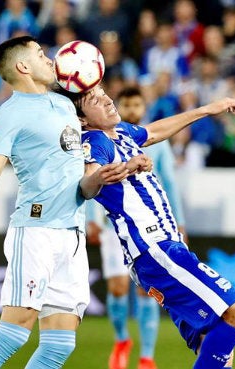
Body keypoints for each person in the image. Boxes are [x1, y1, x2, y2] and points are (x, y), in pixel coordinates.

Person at [0, 35, 147, 369]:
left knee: (60, 343)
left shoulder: (63, 101)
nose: (50, 59)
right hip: (36, 230)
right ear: (22, 66)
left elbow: (105, 110)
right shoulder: (8, 115)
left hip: (71, 232)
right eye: (41, 54)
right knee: (14, 332)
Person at [58, 84, 235, 369]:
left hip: (164, 250)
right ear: (82, 120)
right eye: (95, 100)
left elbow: (155, 131)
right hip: (155, 250)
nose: (108, 100)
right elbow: (87, 184)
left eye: (104, 94)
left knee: (212, 340)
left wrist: (207, 110)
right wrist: (114, 172)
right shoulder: (95, 141)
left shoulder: (123, 133)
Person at [87, 86, 187, 369]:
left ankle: (146, 357)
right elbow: (94, 176)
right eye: (126, 105)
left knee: (149, 291)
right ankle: (121, 340)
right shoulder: (104, 138)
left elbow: (169, 185)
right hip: (113, 227)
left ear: (143, 107)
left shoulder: (157, 142)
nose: (131, 110)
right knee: (118, 289)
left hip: (150, 227)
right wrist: (91, 219)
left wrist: (179, 222)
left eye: (136, 105)